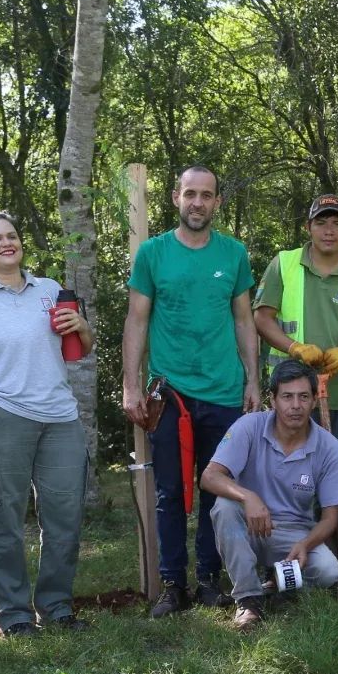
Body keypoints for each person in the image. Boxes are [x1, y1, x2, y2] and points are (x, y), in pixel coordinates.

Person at [122, 165, 262, 619]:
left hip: (224, 392)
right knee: (168, 492)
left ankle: (208, 580)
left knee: (217, 489)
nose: (198, 202)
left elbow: (244, 320)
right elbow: (137, 320)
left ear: (218, 202)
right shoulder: (153, 254)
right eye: (190, 194)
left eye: (206, 195)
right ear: (176, 199)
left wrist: (253, 380)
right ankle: (172, 584)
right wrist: (129, 385)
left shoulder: (234, 253)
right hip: (172, 394)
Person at [0, 212, 94, 637]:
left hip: (61, 418)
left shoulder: (49, 290)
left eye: (12, 236)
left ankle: (57, 607)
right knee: (6, 518)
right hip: (5, 417)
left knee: (65, 518)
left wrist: (83, 327)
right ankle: (13, 614)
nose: (6, 244)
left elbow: (78, 350)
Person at [253, 193, 338, 529]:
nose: (329, 230)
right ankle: (289, 538)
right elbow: (263, 318)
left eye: (337, 223)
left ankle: (336, 540)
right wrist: (295, 347)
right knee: (287, 466)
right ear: (308, 227)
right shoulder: (284, 264)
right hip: (292, 392)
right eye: (321, 222)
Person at [200, 360, 338, 630]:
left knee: (329, 574)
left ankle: (277, 582)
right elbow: (209, 476)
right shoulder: (249, 426)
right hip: (248, 525)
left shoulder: (330, 447)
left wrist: (306, 544)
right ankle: (248, 600)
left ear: (315, 400)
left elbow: (330, 517)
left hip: (295, 534)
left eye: (304, 397)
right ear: (272, 399)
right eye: (287, 397)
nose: (295, 406)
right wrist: (248, 497)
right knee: (224, 506)